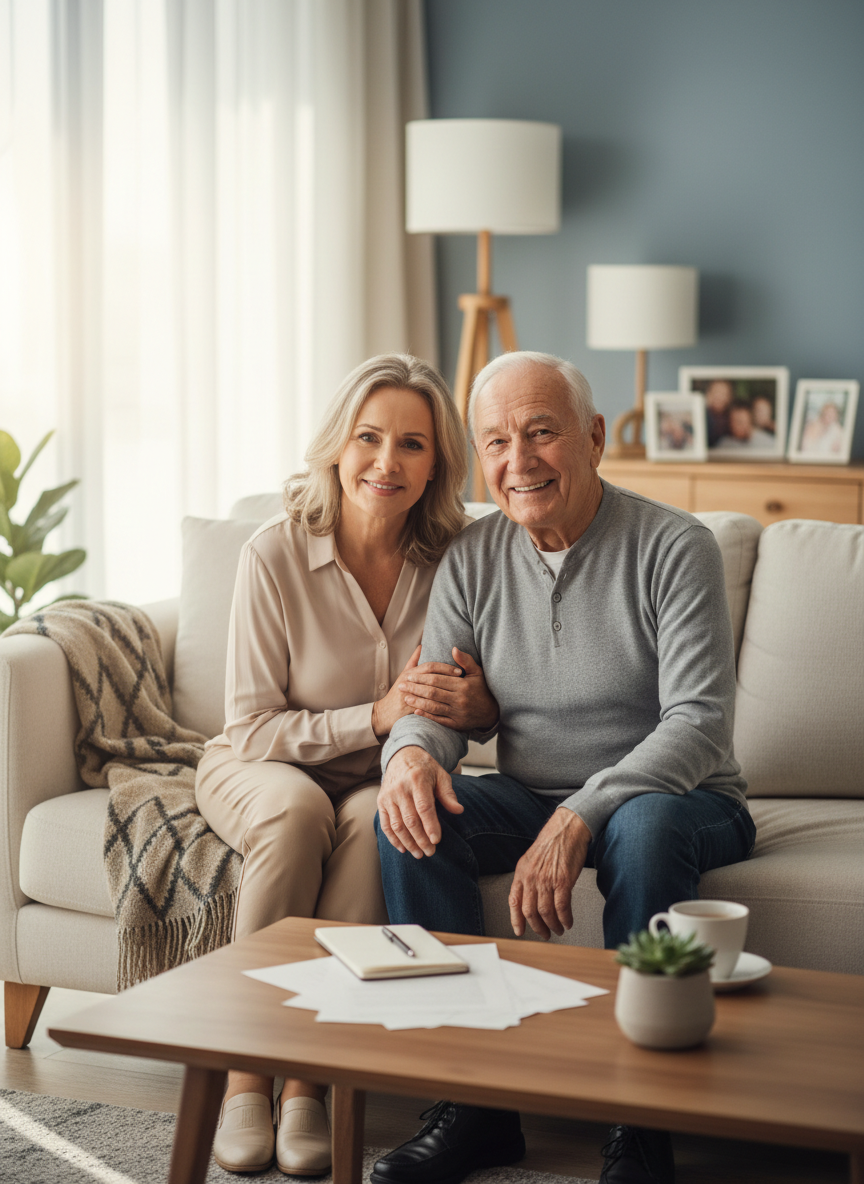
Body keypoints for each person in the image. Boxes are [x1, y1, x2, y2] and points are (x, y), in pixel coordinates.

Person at [370, 352, 756, 1184]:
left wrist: (582, 813)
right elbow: (433, 704)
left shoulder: (672, 546)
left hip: (684, 796)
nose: (520, 461)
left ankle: (641, 1121)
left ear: (593, 437)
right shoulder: (471, 558)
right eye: (498, 441)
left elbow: (699, 722)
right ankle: (471, 1105)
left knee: (642, 827)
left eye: (541, 431)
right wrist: (405, 756)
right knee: (409, 816)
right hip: (530, 789)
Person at [196, 354, 498, 1175]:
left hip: (380, 777)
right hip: (259, 764)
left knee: (382, 821)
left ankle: (306, 1085)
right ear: (337, 446)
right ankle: (243, 1076)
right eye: (368, 438)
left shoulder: (457, 562)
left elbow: (475, 704)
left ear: (437, 463)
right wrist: (372, 716)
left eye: (412, 444)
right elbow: (251, 727)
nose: (386, 462)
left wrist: (479, 712)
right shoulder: (275, 554)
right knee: (299, 815)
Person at [703, 379, 733, 446]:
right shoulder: (703, 415)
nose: (719, 397)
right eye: (716, 392)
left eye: (724, 394)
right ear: (708, 394)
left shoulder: (731, 418)